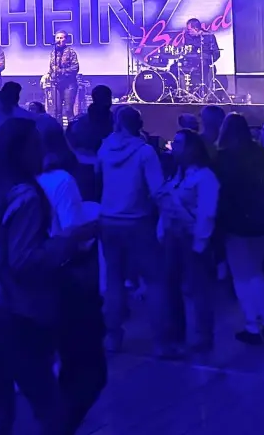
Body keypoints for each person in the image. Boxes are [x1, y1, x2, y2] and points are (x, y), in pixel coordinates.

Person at [0, 118, 94, 435]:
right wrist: (70, 240)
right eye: (35, 144)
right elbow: (24, 260)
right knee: (48, 407)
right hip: (17, 312)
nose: (42, 151)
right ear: (20, 151)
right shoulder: (24, 196)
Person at [36, 122, 106, 431]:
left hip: (28, 279)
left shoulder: (14, 180)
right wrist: (92, 227)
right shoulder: (62, 180)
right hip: (64, 275)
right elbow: (71, 234)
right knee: (86, 369)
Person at [98, 105, 166, 353]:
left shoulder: (105, 148)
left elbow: (99, 176)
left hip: (108, 220)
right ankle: (161, 342)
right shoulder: (145, 152)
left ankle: (112, 337)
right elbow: (157, 189)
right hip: (138, 221)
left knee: (113, 280)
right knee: (155, 280)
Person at [213, 115, 264, 345]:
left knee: (242, 275)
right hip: (263, 220)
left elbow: (220, 192)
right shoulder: (259, 154)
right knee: (256, 272)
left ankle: (253, 325)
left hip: (236, 222)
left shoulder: (223, 158)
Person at [157, 130, 219, 356]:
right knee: (171, 287)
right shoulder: (177, 175)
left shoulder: (205, 177)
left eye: (180, 143)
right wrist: (162, 231)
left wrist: (200, 241)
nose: (176, 147)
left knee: (198, 289)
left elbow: (207, 212)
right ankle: (176, 335)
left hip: (193, 238)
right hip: (173, 237)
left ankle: (203, 337)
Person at [45, 32, 80, 122]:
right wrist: (48, 74)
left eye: (61, 38)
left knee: (68, 110)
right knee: (56, 111)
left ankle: (71, 132)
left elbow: (75, 68)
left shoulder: (71, 52)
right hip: (56, 84)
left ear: (65, 40)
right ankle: (58, 132)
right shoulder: (53, 53)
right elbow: (51, 67)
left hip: (69, 84)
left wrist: (61, 71)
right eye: (57, 38)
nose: (59, 40)